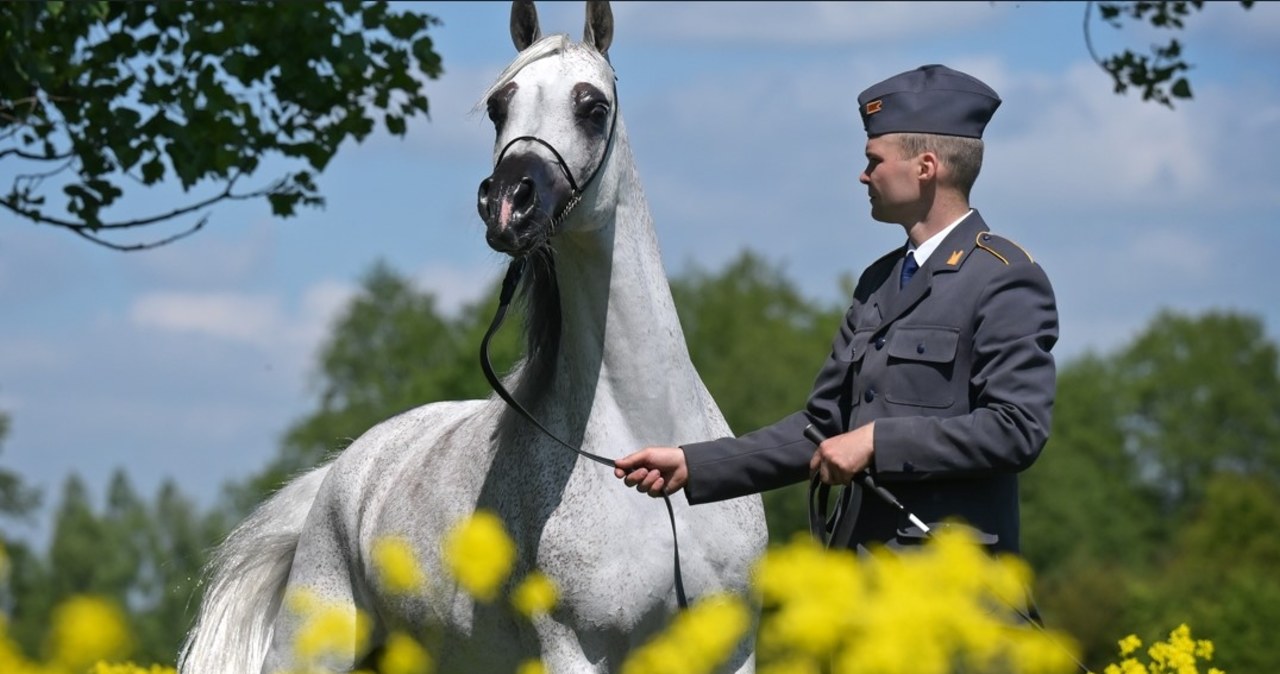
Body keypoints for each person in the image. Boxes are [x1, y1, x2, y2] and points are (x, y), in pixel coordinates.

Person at [614, 64, 1058, 556]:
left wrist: (877, 443)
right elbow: (823, 430)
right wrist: (693, 464)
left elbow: (1016, 428)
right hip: (855, 577)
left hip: (948, 587)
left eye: (875, 160)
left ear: (926, 168)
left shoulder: (1002, 276)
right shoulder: (879, 281)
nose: (863, 174)